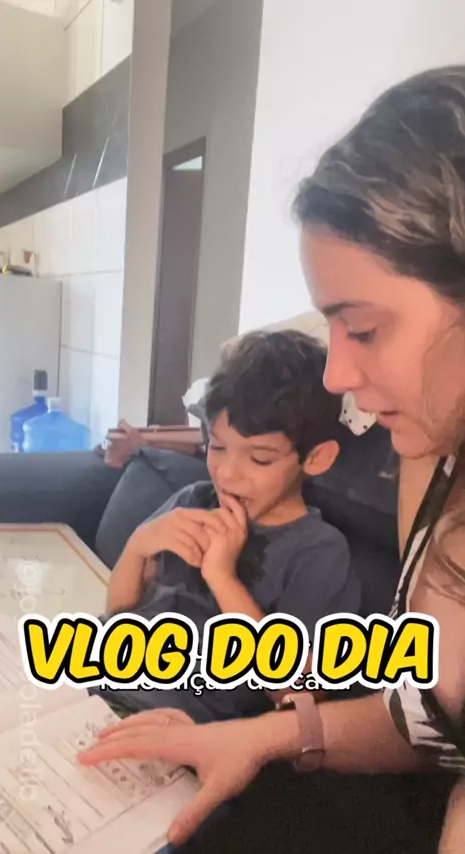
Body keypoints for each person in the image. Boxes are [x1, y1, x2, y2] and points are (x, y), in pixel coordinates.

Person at [77, 65, 465, 851]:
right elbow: (425, 716)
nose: (339, 374)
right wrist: (254, 741)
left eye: (363, 329)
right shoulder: (432, 455)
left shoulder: (326, 541)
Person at [91, 329, 360, 722]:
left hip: (172, 724)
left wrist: (222, 578)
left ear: (316, 458)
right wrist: (137, 547)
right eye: (217, 447)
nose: (228, 475)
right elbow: (118, 613)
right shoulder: (193, 500)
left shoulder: (317, 551)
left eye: (260, 459)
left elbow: (298, 691)